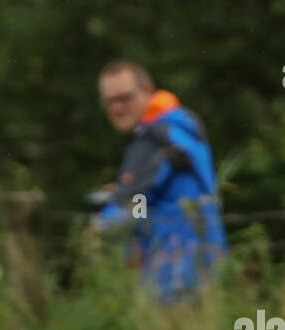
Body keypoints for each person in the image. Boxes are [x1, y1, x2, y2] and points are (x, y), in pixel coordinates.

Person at [91, 60, 227, 299]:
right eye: (109, 102)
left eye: (124, 98)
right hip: (209, 267)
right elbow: (154, 194)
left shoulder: (152, 140)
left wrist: (96, 229)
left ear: (147, 91)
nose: (117, 108)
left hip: (174, 279)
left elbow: (128, 208)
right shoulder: (181, 127)